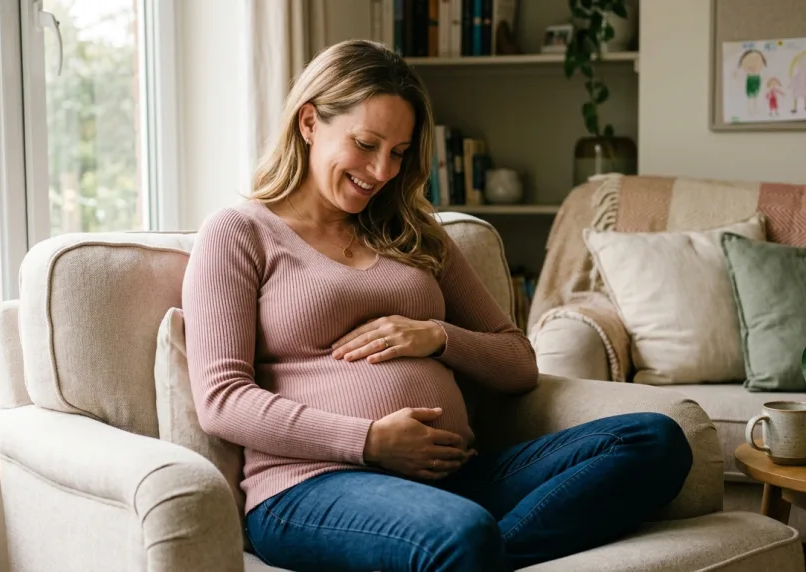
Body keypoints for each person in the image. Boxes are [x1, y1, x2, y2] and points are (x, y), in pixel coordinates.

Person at [181, 38, 693, 572]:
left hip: (455, 480)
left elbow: (519, 363)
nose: (381, 171)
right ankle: (468, 551)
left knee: (655, 440)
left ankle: (476, 556)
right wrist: (370, 441)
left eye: (398, 153)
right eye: (365, 143)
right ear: (309, 122)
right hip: (311, 487)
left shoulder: (416, 234)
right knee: (463, 534)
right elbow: (222, 399)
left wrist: (437, 335)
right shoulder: (240, 233)